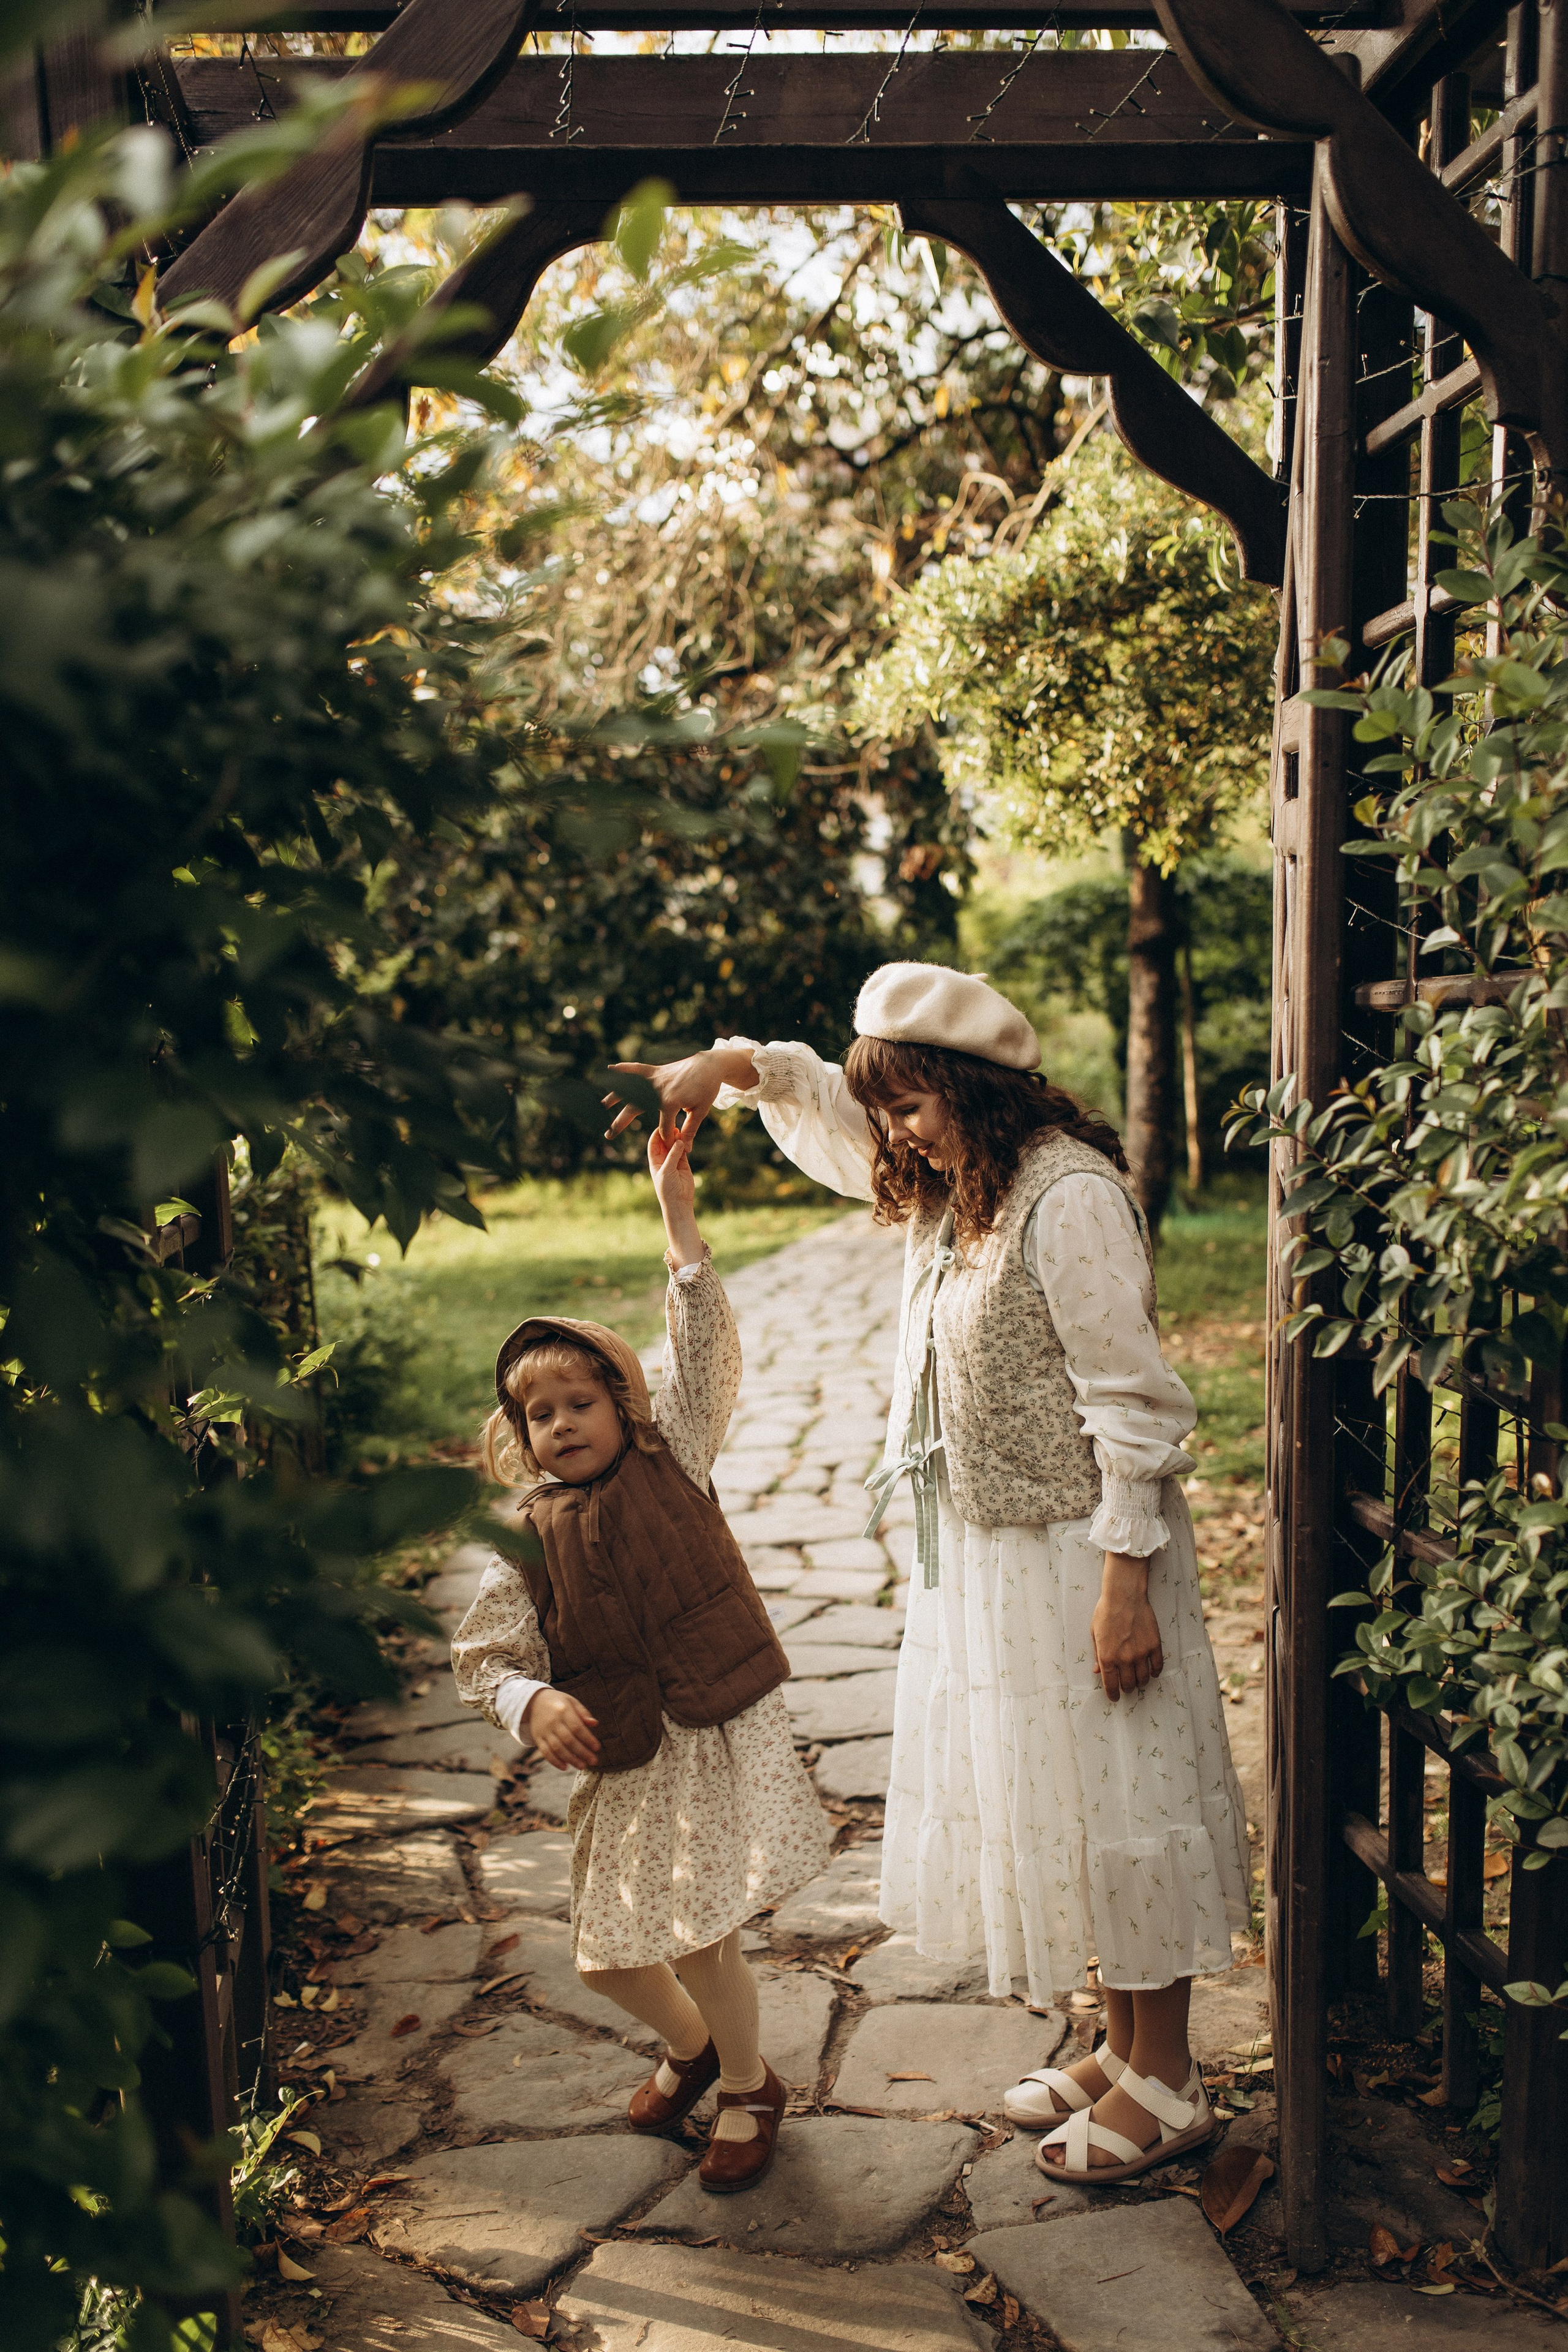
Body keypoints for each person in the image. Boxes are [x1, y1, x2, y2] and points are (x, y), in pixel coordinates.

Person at [599, 962, 1249, 2186]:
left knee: (1120, 1802)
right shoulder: (964, 1186)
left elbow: (1135, 1406)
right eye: (883, 1108)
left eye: (906, 1105)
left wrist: (1123, 1582)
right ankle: (1118, 2047)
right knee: (1065, 1797)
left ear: (967, 1088)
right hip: (1000, 1555)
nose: (889, 1132)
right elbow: (834, 1128)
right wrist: (728, 1070)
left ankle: (1167, 2077)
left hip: (1082, 1551)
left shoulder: (1068, 1200)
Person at [450, 1123, 831, 2193]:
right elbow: (482, 1658)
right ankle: (691, 2049)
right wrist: (530, 1704)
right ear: (519, 1436)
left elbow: (706, 1350)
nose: (562, 1425)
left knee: (703, 1929)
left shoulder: (680, 1458)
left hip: (710, 1726)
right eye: (539, 1414)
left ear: (625, 1406)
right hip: (623, 1751)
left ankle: (751, 2087)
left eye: (582, 1403)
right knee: (609, 1955)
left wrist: (678, 1223)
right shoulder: (525, 1536)